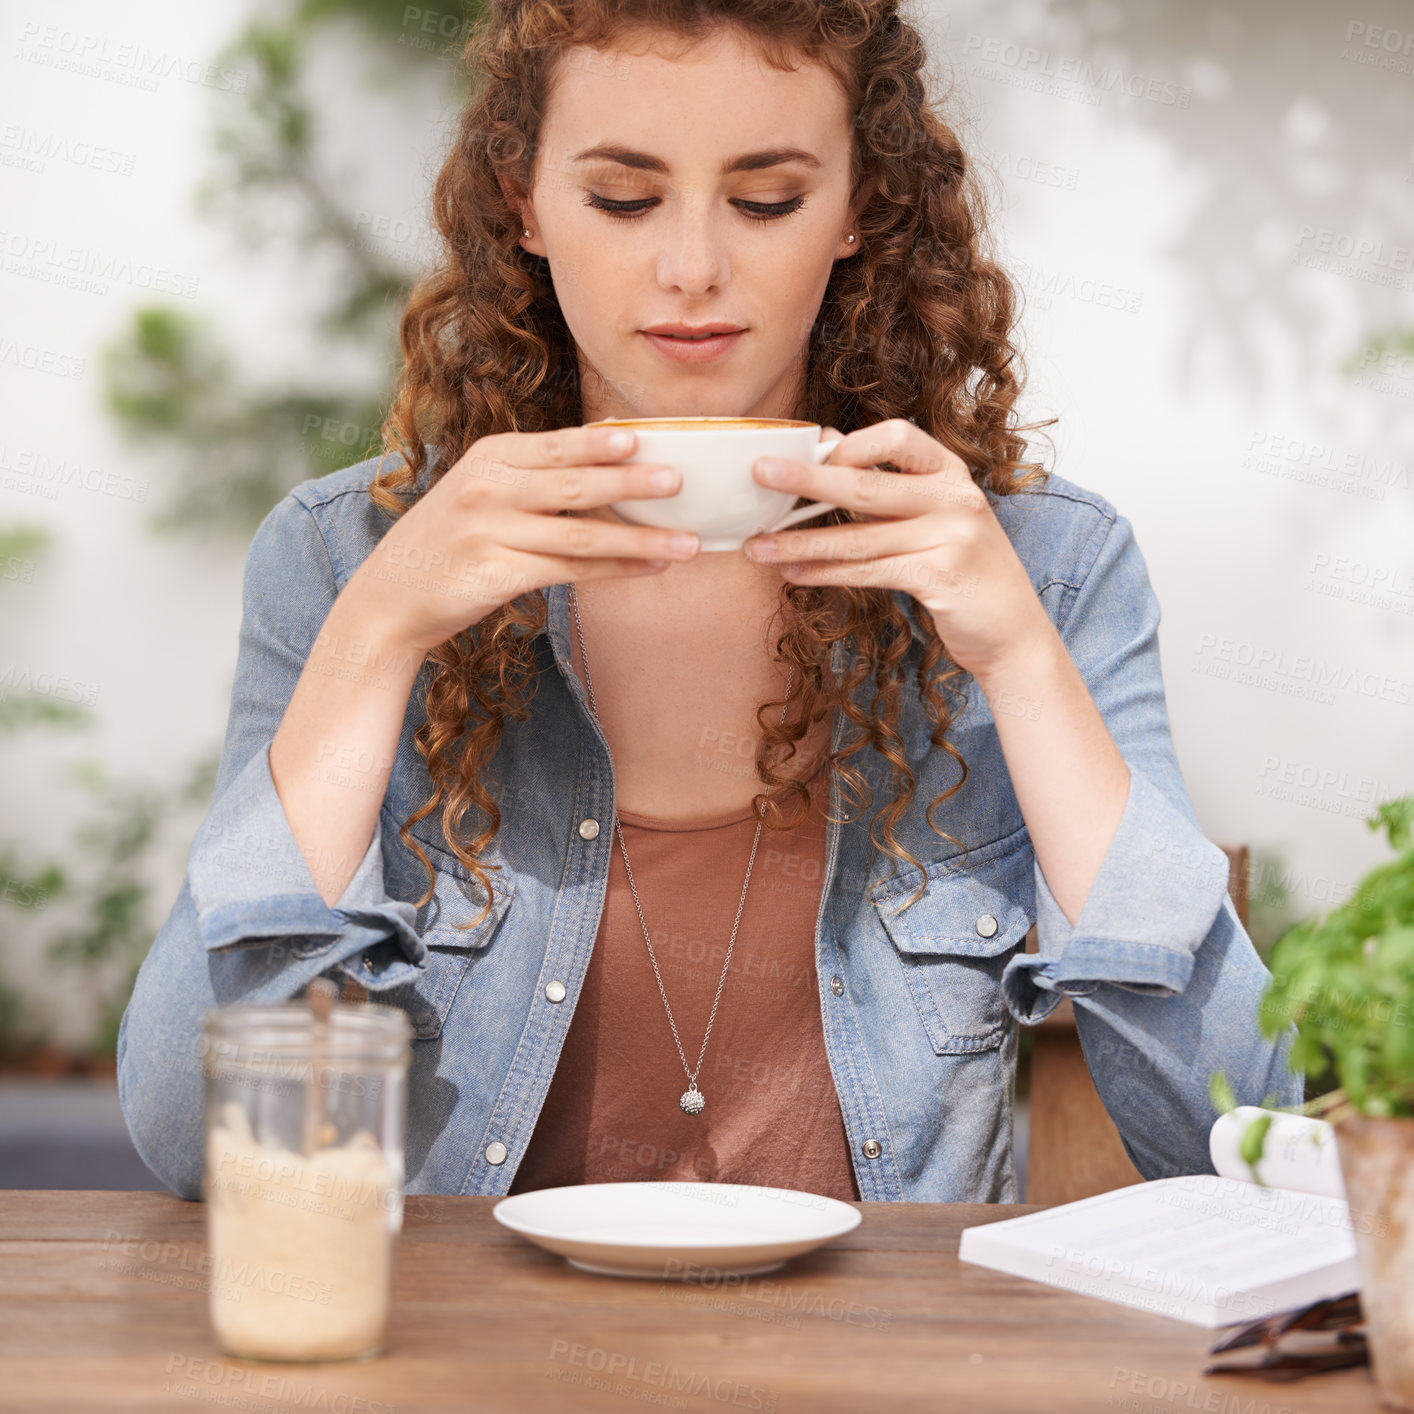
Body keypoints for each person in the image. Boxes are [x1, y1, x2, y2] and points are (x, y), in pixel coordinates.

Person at [118, 0, 1299, 1203]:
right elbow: (189, 1139)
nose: (691, 268)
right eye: (624, 199)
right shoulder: (342, 558)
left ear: (858, 209)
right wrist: (376, 634)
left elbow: (1252, 1136)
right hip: (472, 1373)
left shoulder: (1044, 565)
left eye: (767, 199)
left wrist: (1023, 666)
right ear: (523, 202)